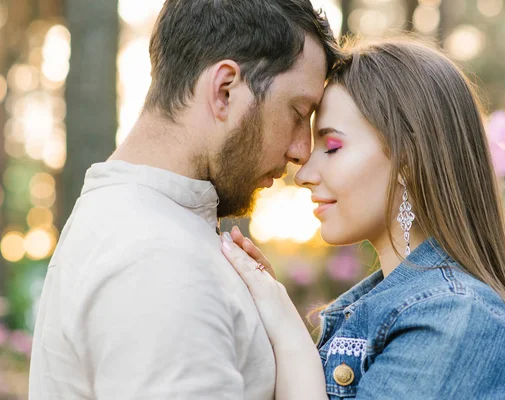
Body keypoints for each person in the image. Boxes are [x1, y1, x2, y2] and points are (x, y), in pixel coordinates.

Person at [28, 1, 340, 398]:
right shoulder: (157, 259)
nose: (301, 150)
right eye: (298, 112)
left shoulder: (141, 223)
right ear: (225, 90)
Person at [221, 38, 505, 400]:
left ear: (407, 159)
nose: (303, 174)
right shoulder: (382, 312)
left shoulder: (455, 317)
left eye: (333, 147)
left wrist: (286, 326)